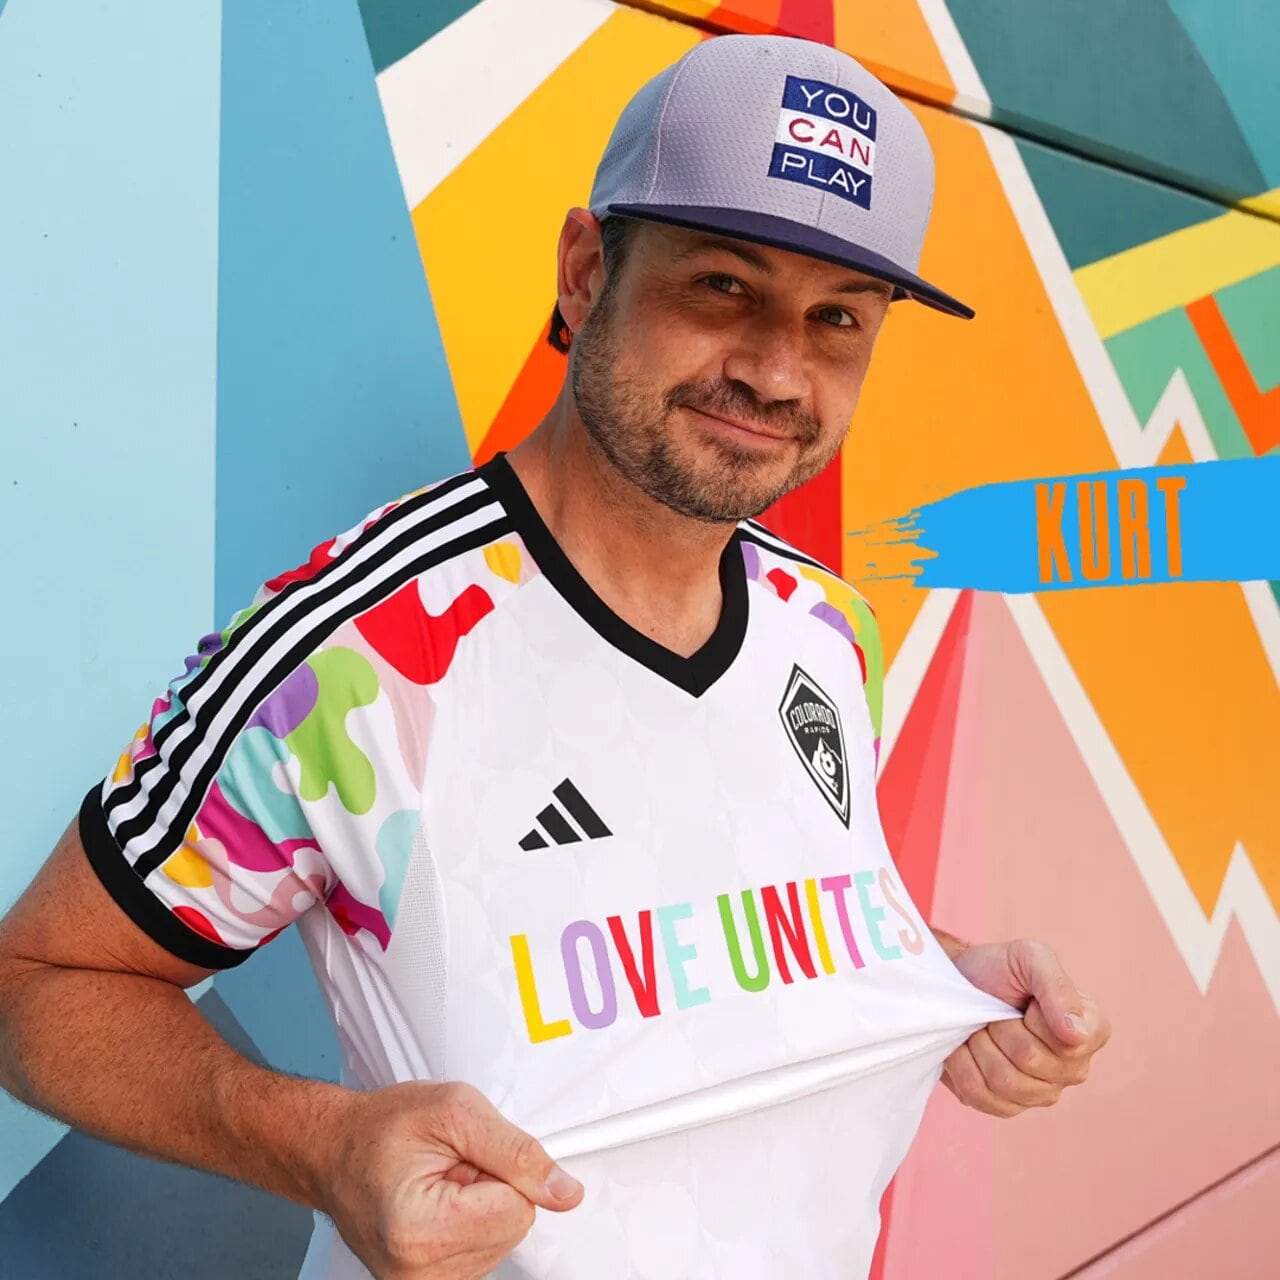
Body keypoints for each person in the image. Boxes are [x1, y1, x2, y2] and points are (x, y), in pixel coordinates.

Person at [0, 33, 1109, 1280]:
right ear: (586, 271)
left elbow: (728, 925)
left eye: (835, 318)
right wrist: (319, 1143)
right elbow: (38, 979)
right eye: (721, 288)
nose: (774, 370)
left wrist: (937, 976)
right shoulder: (355, 651)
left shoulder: (825, 627)